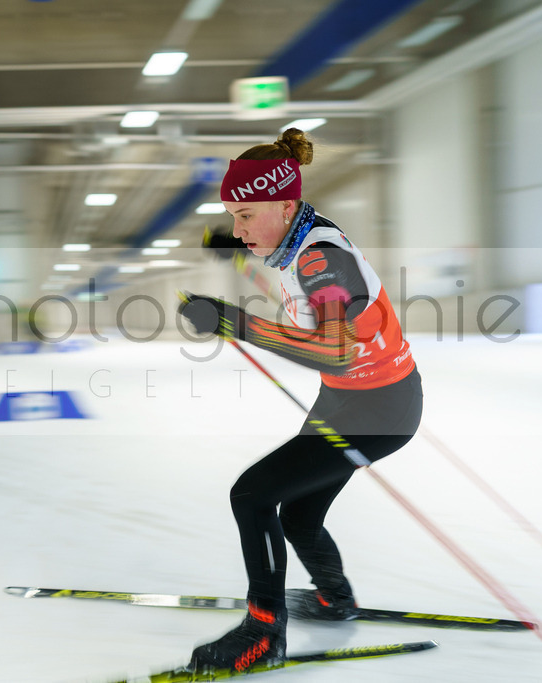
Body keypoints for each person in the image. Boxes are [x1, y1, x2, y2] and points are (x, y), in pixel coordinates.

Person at [177, 128, 423, 673]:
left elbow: (335, 349)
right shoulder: (297, 239)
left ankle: (263, 634)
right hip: (351, 400)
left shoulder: (321, 260)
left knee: (253, 496)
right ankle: (337, 599)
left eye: (246, 217)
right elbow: (292, 293)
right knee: (299, 512)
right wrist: (237, 258)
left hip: (378, 411)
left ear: (286, 205)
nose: (241, 231)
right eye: (234, 216)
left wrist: (232, 322)